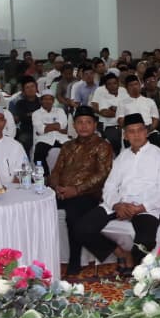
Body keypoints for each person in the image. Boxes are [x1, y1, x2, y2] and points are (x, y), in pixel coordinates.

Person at [71, 113, 160, 272]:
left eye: (140, 130)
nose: (136, 135)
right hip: (120, 203)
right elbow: (110, 186)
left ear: (146, 132)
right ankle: (121, 253)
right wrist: (116, 205)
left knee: (146, 241)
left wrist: (140, 208)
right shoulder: (122, 157)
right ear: (125, 135)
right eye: (131, 131)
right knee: (81, 228)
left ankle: (132, 259)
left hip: (146, 207)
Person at [50, 107, 115, 276]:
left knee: (73, 214)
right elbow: (56, 171)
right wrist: (57, 187)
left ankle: (75, 260)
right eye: (80, 122)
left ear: (95, 125)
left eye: (88, 122)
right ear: (74, 125)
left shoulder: (103, 146)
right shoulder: (67, 146)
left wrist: (76, 190)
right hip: (63, 192)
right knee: (40, 209)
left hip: (90, 194)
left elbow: (102, 175)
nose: (84, 126)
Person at [118, 74, 160, 149]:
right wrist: (134, 130)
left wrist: (147, 130)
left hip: (150, 132)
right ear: (127, 88)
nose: (134, 87)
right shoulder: (122, 103)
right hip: (132, 134)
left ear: (140, 85)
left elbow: (155, 119)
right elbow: (120, 121)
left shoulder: (149, 101)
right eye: (131, 85)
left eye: (136, 84)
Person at [31, 93, 70, 167]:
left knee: (72, 149)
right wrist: (57, 126)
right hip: (44, 139)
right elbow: (40, 129)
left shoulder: (60, 111)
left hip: (61, 138)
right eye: (45, 99)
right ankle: (44, 173)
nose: (48, 101)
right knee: (38, 155)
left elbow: (63, 125)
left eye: (50, 99)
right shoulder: (36, 113)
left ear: (53, 101)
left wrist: (46, 125)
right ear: (41, 101)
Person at [89, 73, 124, 151]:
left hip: (125, 124)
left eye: (114, 83)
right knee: (115, 141)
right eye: (109, 84)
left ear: (118, 83)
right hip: (110, 125)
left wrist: (115, 109)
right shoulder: (103, 95)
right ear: (106, 86)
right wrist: (121, 112)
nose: (112, 86)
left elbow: (129, 107)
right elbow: (104, 112)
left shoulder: (123, 91)